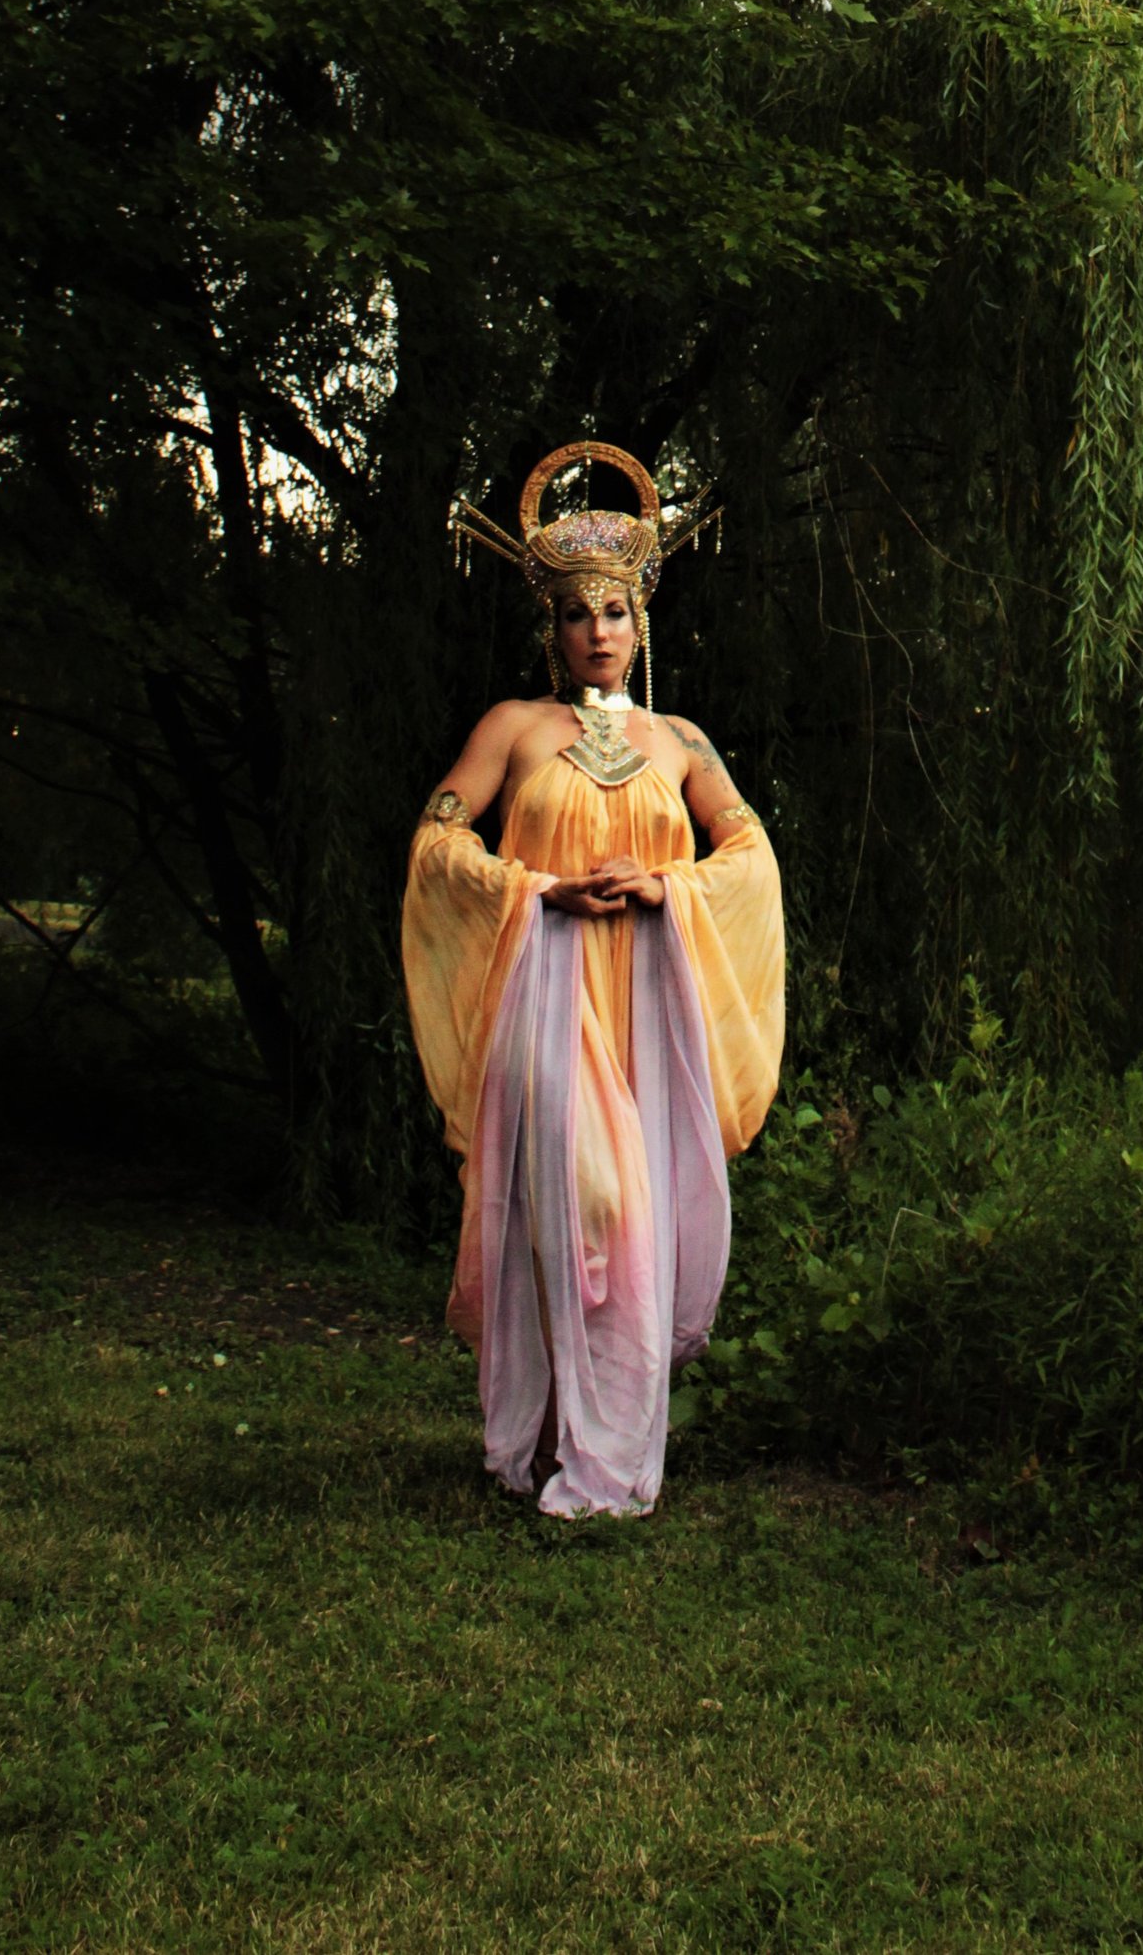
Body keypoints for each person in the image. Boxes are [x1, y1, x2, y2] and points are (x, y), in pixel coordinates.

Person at [400, 441, 782, 1518]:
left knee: (632, 1219)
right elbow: (436, 840)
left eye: (615, 612)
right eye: (578, 615)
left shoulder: (679, 742)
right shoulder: (514, 729)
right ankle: (550, 1432)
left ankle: (604, 1449)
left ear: (641, 621)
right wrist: (534, 892)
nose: (599, 632)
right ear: (553, 629)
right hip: (547, 999)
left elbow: (749, 853)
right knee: (573, 1202)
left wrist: (668, 887)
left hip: (647, 1008)